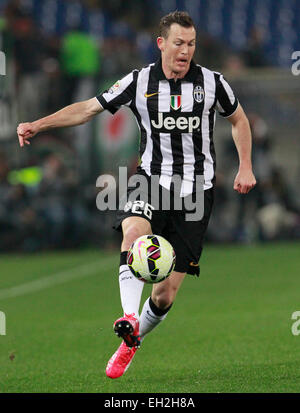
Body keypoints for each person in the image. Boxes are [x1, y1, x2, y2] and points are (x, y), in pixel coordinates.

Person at [17, 11, 256, 379]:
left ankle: (131, 340)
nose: (185, 51)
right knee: (133, 232)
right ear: (161, 43)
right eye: (178, 43)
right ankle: (128, 314)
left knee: (164, 296)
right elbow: (87, 109)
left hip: (195, 193)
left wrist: (245, 166)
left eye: (191, 44)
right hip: (152, 181)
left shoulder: (212, 83)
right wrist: (39, 123)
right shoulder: (139, 80)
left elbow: (238, 119)